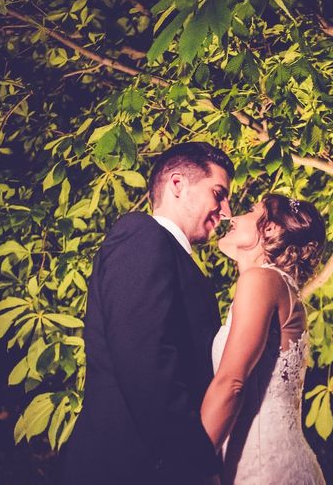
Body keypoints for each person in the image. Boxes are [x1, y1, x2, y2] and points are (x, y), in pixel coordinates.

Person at [62, 142, 234, 485]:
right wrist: (194, 464)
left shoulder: (177, 260)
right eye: (219, 193)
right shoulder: (142, 234)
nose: (226, 210)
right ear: (177, 184)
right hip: (125, 466)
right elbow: (145, 359)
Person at [202, 194, 327, 484]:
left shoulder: (261, 279)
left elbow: (231, 383)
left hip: (265, 472)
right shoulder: (278, 285)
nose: (232, 217)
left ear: (270, 228)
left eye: (249, 210)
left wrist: (190, 466)